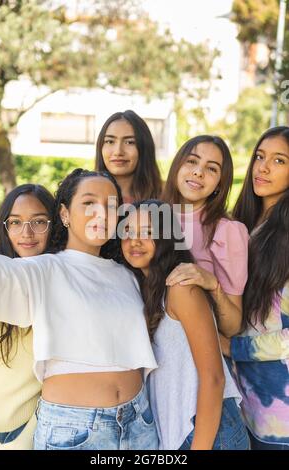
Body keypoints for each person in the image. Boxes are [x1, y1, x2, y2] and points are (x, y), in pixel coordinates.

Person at [0, 169, 158, 450]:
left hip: (139, 423)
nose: (102, 213)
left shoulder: (129, 274)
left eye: (111, 205)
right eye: (89, 203)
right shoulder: (44, 270)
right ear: (65, 215)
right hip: (73, 429)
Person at [121, 200, 248, 450]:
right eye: (128, 232)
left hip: (210, 434)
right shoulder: (146, 290)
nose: (134, 241)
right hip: (179, 432)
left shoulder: (181, 288)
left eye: (147, 233)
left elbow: (213, 378)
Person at [220, 126, 289, 450]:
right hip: (242, 406)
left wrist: (234, 348)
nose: (262, 167)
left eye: (279, 161)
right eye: (260, 156)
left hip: (280, 417)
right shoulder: (241, 225)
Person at [163, 135, 249, 339]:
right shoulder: (152, 217)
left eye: (211, 168)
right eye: (191, 161)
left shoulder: (227, 232)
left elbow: (233, 326)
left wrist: (212, 284)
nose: (198, 172)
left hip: (197, 353)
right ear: (177, 167)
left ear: (220, 183)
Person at [0, 184, 54, 449]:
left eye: (38, 222)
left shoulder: (60, 277)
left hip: (34, 427)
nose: (26, 233)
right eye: (15, 222)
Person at [95, 110, 162, 203]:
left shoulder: (166, 198)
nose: (118, 152)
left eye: (129, 142)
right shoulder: (82, 196)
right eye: (110, 141)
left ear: (144, 147)